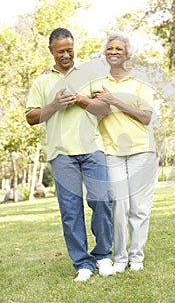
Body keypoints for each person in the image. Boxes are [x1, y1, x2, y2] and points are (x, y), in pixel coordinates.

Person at [25, 27, 114, 282]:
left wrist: (79, 99)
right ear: (51, 51)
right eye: (60, 51)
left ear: (74, 47)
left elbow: (104, 108)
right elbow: (31, 118)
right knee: (71, 211)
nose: (66, 55)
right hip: (61, 155)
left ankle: (103, 256)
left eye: (69, 49)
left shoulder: (89, 74)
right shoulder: (42, 82)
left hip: (92, 150)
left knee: (101, 201)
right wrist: (54, 105)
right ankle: (83, 264)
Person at [92, 31, 157, 273]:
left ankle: (136, 257)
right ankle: (119, 258)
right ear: (105, 53)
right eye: (110, 48)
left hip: (141, 150)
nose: (114, 51)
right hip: (112, 152)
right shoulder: (97, 83)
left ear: (127, 53)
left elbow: (146, 117)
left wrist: (114, 100)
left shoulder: (140, 84)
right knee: (119, 207)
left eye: (119, 48)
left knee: (139, 208)